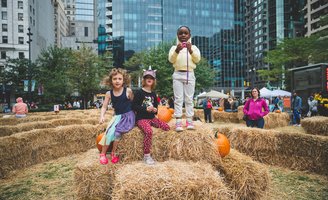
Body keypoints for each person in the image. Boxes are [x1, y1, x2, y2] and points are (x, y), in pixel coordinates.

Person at [132, 67, 170, 165]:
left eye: (151, 78)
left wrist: (155, 110)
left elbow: (156, 108)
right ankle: (146, 155)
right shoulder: (139, 92)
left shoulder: (153, 94)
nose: (149, 79)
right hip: (141, 119)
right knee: (149, 131)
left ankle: (164, 152)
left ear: (154, 81)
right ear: (144, 80)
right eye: (147, 77)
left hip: (151, 118)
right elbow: (134, 106)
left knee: (167, 127)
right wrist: (145, 109)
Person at [98, 68, 135, 164]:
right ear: (111, 81)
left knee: (117, 133)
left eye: (119, 78)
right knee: (109, 132)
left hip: (128, 117)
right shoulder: (108, 93)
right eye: (115, 79)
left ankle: (114, 153)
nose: (117, 81)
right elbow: (104, 107)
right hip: (117, 117)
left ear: (124, 80)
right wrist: (102, 116)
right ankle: (103, 154)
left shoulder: (128, 91)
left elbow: (134, 104)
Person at [168, 25, 201, 132]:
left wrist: (190, 49)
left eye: (185, 33)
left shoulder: (194, 47)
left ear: (189, 35)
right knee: (178, 99)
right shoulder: (174, 48)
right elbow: (171, 60)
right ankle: (178, 121)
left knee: (189, 98)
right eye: (180, 33)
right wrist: (177, 50)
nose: (183, 35)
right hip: (177, 74)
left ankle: (189, 121)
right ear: (177, 35)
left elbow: (197, 59)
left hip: (189, 74)